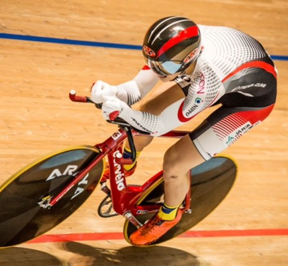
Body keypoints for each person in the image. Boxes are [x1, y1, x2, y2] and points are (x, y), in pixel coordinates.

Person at [90, 16, 277, 246]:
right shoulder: (169, 51)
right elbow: (137, 89)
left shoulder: (207, 79)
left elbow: (160, 126)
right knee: (147, 109)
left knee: (175, 162)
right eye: (152, 62)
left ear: (189, 58)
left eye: (164, 67)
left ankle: (168, 216)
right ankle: (127, 160)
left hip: (247, 102)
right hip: (228, 70)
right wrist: (112, 92)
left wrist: (124, 113)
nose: (157, 71)